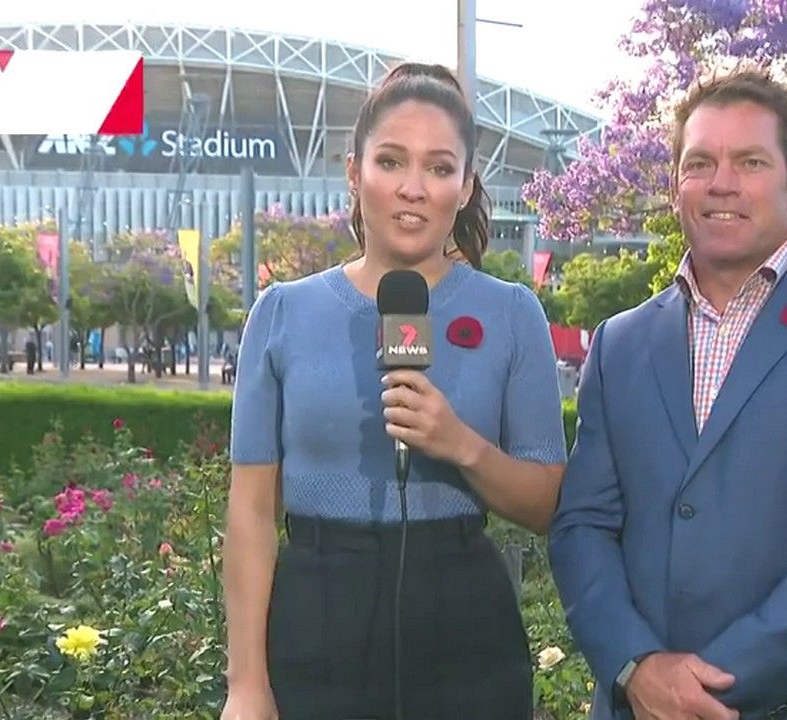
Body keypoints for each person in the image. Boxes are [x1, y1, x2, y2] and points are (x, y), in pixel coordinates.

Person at [548, 67, 787, 720]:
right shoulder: (621, 343)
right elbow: (583, 524)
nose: (721, 183)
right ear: (676, 184)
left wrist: (708, 688)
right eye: (700, 163)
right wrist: (637, 667)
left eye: (750, 162)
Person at [220, 62, 567, 720]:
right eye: (390, 161)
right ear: (354, 174)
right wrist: (246, 684)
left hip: (467, 632)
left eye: (439, 168)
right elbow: (251, 513)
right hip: (316, 622)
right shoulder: (283, 313)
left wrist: (461, 445)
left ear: (465, 186)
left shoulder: (513, 313)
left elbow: (548, 501)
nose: (413, 188)